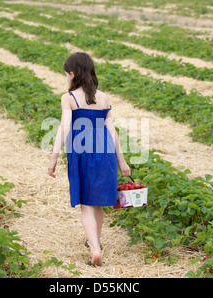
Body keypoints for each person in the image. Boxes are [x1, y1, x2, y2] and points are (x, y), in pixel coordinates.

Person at [47, 52, 131, 266]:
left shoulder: (69, 98)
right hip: (106, 152)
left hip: (82, 152)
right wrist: (122, 162)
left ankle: (94, 249)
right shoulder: (103, 98)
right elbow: (112, 131)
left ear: (73, 74)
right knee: (98, 203)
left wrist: (54, 156)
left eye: (66, 74)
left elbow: (64, 127)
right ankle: (96, 242)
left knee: (86, 204)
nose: (66, 77)